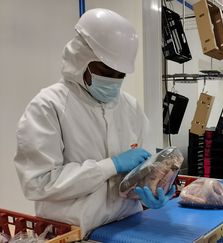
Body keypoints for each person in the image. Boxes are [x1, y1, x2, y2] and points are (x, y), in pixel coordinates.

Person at [14, 8, 174, 237]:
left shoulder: (130, 108)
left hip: (129, 228)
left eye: (120, 75)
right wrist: (110, 166)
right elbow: (38, 183)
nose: (113, 81)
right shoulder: (49, 106)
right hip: (73, 234)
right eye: (105, 71)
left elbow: (144, 171)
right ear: (80, 58)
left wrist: (152, 189)